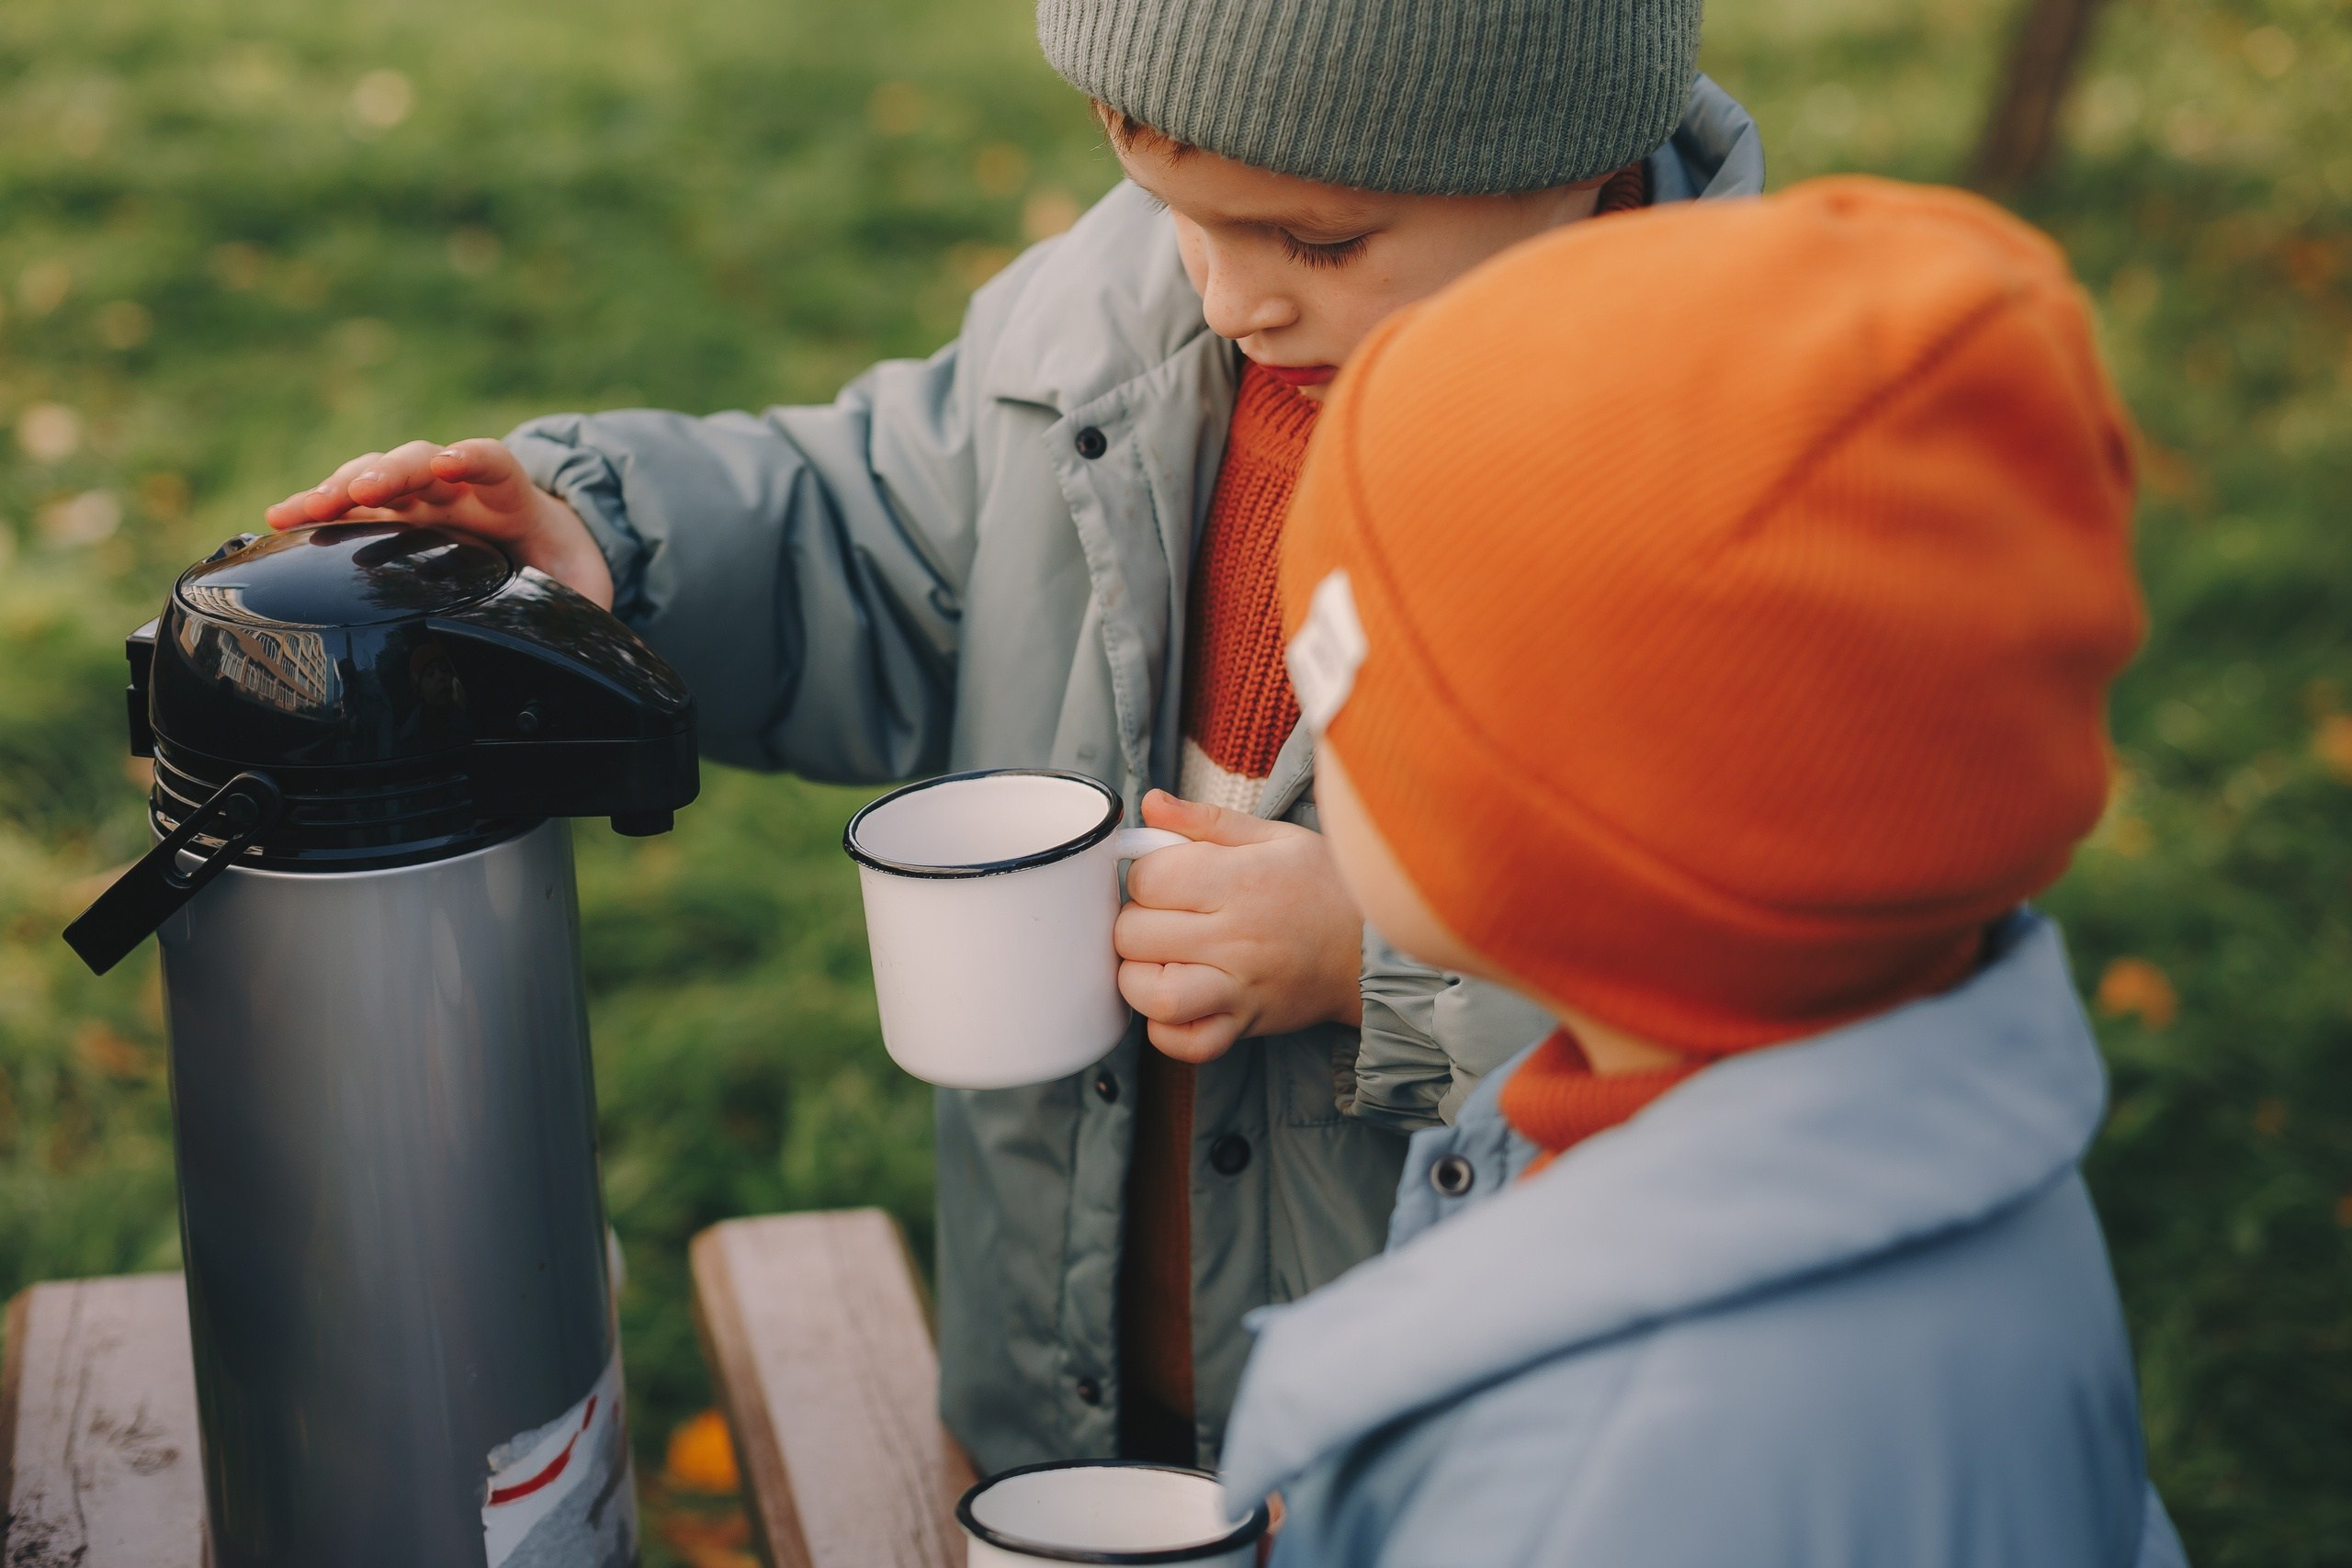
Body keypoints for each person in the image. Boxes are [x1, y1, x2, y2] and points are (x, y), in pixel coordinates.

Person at [263, 0, 1764, 1471]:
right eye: (1168, 195)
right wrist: (608, 547)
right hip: (1076, 1370)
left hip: (1452, 1453)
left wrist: (1371, 957)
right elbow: (879, 537)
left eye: (1317, 242)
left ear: (1575, 158)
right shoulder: (1115, 313)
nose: (1233, 294)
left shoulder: (1728, 488)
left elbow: (1772, 976)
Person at [1221, 176, 2190, 1565]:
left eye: (1346, 693)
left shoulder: (1605, 1487)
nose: (1318, 750)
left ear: (1550, 844)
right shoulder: (1957, 1154)